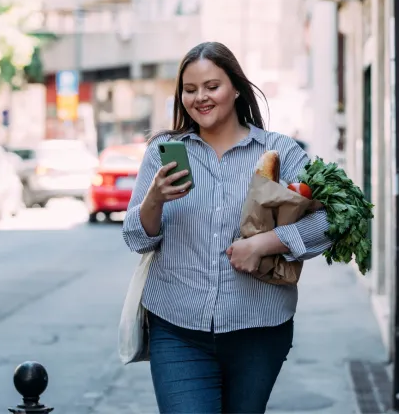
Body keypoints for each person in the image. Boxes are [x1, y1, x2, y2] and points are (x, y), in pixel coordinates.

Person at [122, 41, 332, 414]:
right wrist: (154, 198)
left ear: (236, 88)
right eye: (189, 90)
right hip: (177, 328)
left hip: (259, 329)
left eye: (211, 86)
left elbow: (332, 221)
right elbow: (136, 237)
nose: (199, 97)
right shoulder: (164, 153)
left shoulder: (279, 152)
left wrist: (267, 243)